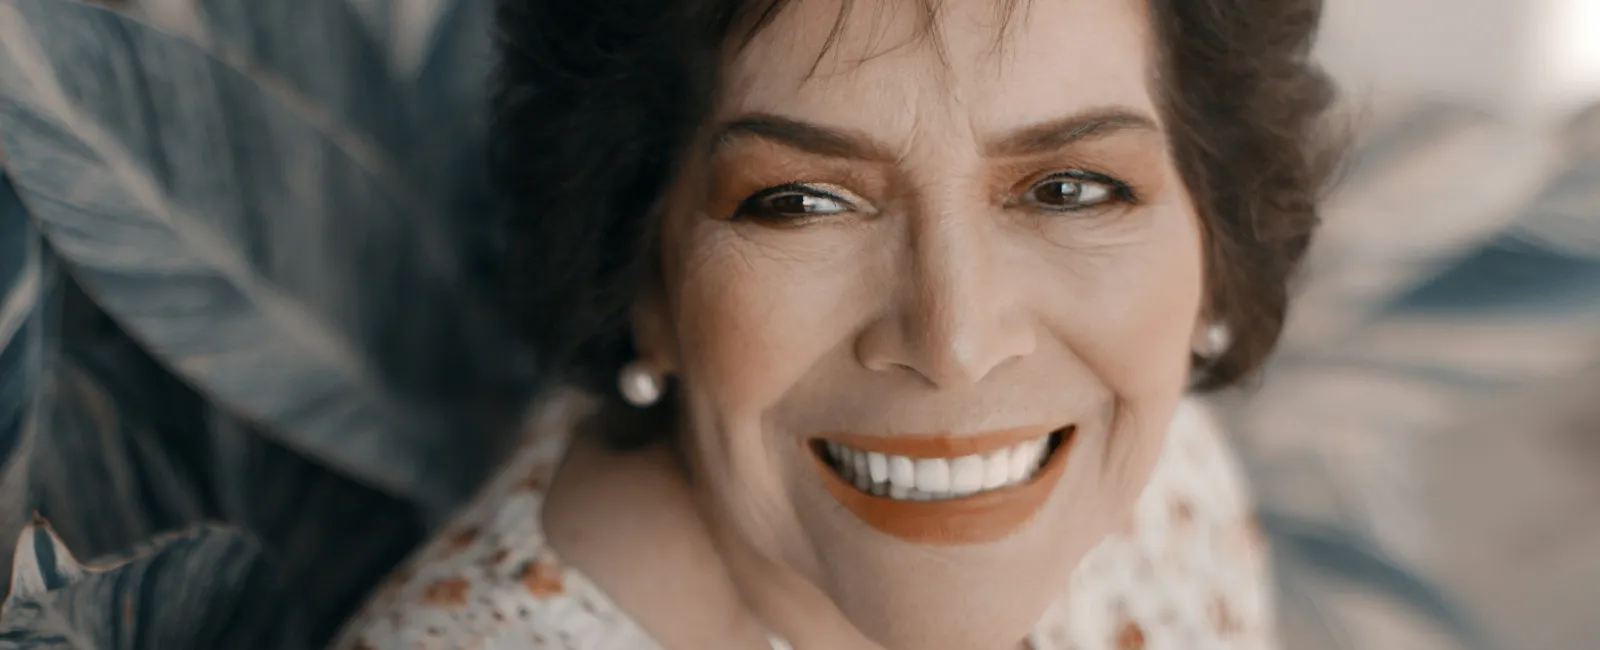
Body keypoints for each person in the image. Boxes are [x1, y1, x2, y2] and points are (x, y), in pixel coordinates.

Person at [333, 0, 1337, 648]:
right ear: (640, 275)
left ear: (1210, 241)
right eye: (801, 201)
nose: (955, 343)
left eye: (1069, 188)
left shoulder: (1161, 484)